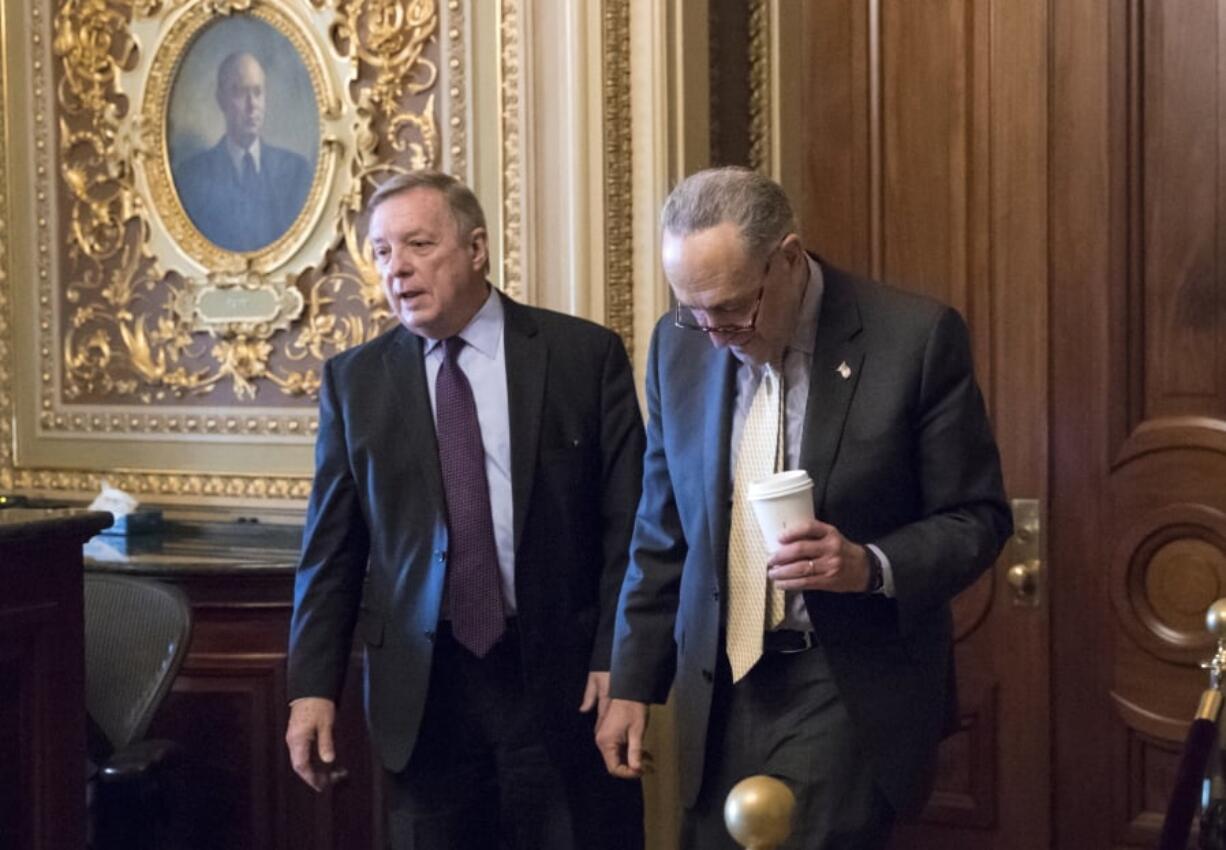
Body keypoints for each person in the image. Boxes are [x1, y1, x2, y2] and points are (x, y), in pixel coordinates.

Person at [596, 167, 1012, 849]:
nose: (716, 333)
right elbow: (663, 528)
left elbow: (977, 517)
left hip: (842, 676)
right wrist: (632, 680)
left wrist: (868, 565)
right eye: (694, 311)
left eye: (733, 308)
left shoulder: (913, 338)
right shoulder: (679, 347)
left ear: (788, 258)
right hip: (721, 683)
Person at [284, 171, 646, 850]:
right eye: (384, 252)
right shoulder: (354, 382)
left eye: (419, 244)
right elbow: (331, 551)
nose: (399, 269)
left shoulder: (581, 357)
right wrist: (310, 689)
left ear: (477, 249)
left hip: (560, 679)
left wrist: (621, 660)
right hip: (426, 693)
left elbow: (630, 526)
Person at [173, 51, 312, 252]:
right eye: (239, 93)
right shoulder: (191, 177)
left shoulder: (296, 171)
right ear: (221, 100)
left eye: (257, 92)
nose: (252, 105)